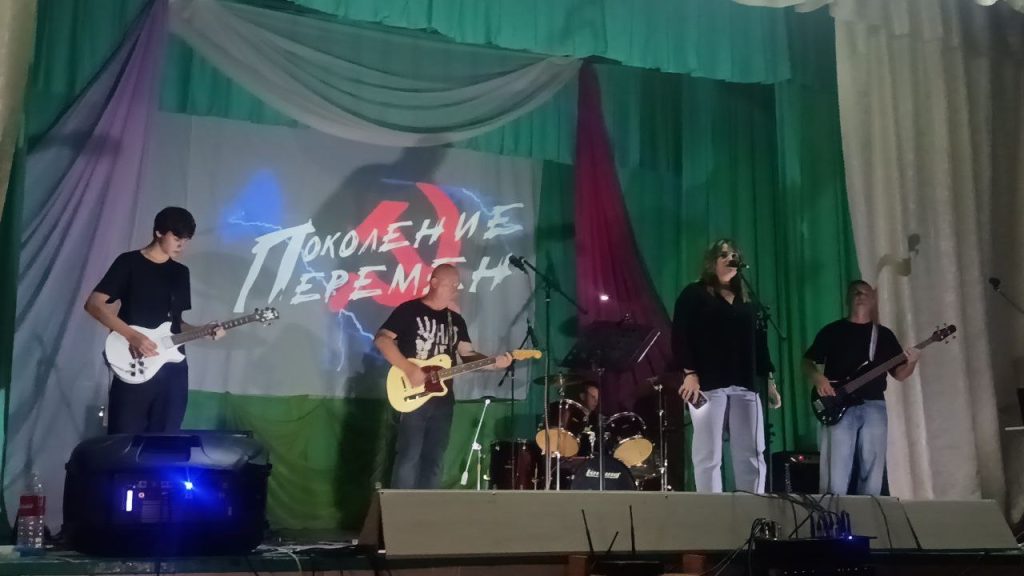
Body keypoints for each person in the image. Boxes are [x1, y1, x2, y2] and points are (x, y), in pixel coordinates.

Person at [84, 207, 224, 434]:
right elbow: (94, 304)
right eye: (177, 238)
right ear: (159, 232)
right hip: (135, 360)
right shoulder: (129, 262)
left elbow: (177, 323)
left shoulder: (180, 273)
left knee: (166, 438)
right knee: (125, 439)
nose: (181, 245)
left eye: (185, 240)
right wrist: (133, 336)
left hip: (173, 368)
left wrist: (203, 330)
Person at [375, 264, 512, 489]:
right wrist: (409, 369)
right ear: (434, 282)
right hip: (413, 395)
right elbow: (382, 339)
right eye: (450, 285)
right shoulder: (409, 310)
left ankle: (428, 507)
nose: (455, 290)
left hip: (443, 400)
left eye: (457, 286)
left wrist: (493, 363)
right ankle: (401, 508)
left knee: (435, 458)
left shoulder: (455, 320)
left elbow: (467, 355)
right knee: (409, 456)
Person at [672, 239, 781, 493]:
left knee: (752, 451)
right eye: (724, 255)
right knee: (708, 453)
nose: (730, 258)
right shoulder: (694, 293)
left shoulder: (747, 299)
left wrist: (769, 381)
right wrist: (689, 372)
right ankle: (712, 508)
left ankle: (752, 506)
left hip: (745, 382)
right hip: (708, 383)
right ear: (712, 262)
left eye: (734, 255)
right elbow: (679, 336)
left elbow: (759, 342)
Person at [804, 280, 920, 495]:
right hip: (838, 404)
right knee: (836, 469)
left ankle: (869, 511)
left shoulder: (884, 335)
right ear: (847, 298)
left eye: (865, 292)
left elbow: (899, 374)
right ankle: (832, 512)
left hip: (874, 405)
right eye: (855, 292)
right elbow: (807, 361)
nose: (860, 295)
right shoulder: (832, 331)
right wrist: (819, 378)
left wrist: (912, 362)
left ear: (873, 300)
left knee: (873, 470)